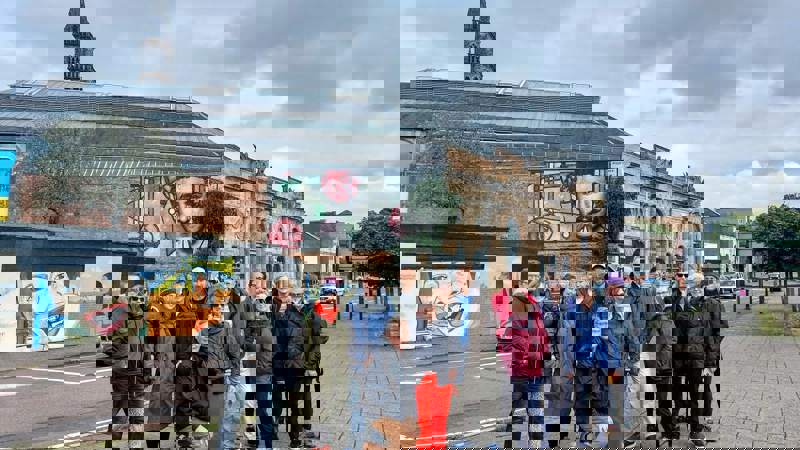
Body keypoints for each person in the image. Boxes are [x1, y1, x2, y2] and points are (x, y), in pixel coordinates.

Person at [502, 285, 549, 449]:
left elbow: (542, 335)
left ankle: (534, 444)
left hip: (536, 367)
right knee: (522, 410)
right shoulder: (517, 303)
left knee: (535, 410)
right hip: (525, 369)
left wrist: (546, 356)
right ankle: (514, 443)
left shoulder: (531, 302)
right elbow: (518, 340)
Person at [271, 276, 313, 448]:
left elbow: (308, 332)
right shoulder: (269, 306)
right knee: (276, 399)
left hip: (295, 363)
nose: (283, 289)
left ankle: (295, 437)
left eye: (286, 286)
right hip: (276, 362)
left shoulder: (299, 308)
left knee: (294, 401)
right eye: (280, 285)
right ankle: (273, 426)